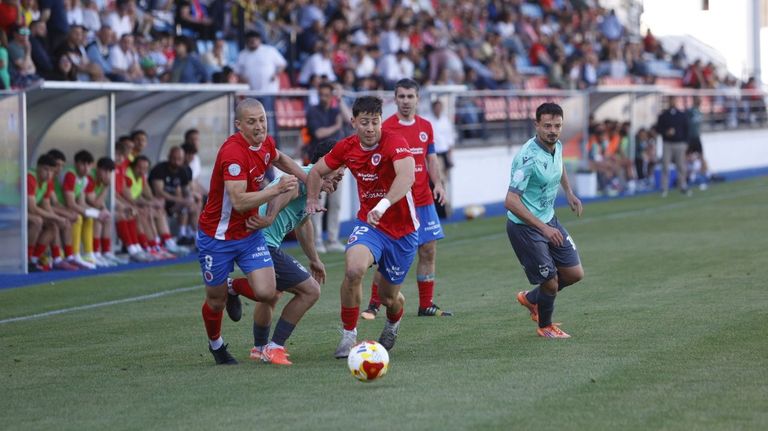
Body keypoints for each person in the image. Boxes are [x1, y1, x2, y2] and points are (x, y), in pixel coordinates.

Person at [305, 95, 418, 358]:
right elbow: (314, 171)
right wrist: (312, 198)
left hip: (402, 230)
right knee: (354, 270)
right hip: (370, 225)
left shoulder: (395, 142)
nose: (370, 128)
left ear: (381, 122)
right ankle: (348, 335)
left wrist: (383, 204)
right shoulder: (346, 147)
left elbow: (407, 176)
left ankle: (393, 322)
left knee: (390, 298)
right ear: (353, 122)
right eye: (364, 122)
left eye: (375, 122)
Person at [197, 98, 306, 365]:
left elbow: (281, 160)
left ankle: (234, 288)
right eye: (252, 121)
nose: (259, 126)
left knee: (269, 293)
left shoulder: (265, 143)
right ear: (239, 125)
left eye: (262, 120)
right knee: (215, 300)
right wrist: (274, 190)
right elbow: (238, 200)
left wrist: (309, 180)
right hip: (217, 236)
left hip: (248, 233)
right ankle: (217, 345)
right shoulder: (233, 154)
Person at [225, 140, 343, 366]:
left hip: (260, 241)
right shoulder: (306, 176)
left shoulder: (313, 184)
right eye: (338, 171)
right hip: (260, 241)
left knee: (272, 295)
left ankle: (259, 348)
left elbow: (303, 224)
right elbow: (287, 188)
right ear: (325, 162)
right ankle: (275, 346)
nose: (339, 178)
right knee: (310, 291)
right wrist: (269, 217)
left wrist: (314, 259)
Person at [361, 78, 452, 319]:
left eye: (410, 96)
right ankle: (373, 303)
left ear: (418, 99)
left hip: (424, 200)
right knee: (388, 254)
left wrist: (439, 184)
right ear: (395, 98)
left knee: (429, 251)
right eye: (401, 96)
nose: (405, 101)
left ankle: (426, 304)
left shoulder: (426, 127)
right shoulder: (386, 128)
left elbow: (430, 159)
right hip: (398, 203)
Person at [506, 102, 584, 339]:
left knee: (574, 274)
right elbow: (510, 201)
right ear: (536, 125)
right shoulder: (527, 158)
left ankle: (531, 299)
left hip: (548, 220)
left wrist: (569, 192)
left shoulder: (556, 145)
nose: (553, 130)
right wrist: (543, 229)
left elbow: (558, 166)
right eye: (547, 125)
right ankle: (545, 326)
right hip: (526, 228)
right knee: (550, 283)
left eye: (557, 125)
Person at [305, 82, 349, 253]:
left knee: (336, 203)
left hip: (337, 164)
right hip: (319, 165)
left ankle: (332, 238)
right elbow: (318, 133)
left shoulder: (335, 109)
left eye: (327, 95)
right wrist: (336, 127)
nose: (324, 97)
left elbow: (349, 120)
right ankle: (317, 241)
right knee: (317, 202)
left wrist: (340, 99)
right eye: (321, 94)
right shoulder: (313, 111)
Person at [149, 146, 200, 245]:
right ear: (169, 157)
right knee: (179, 203)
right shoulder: (159, 169)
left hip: (175, 203)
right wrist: (181, 200)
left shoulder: (183, 170)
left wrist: (190, 198)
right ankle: (169, 239)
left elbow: (186, 189)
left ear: (183, 159)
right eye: (174, 158)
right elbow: (159, 192)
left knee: (193, 205)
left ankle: (195, 236)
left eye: (179, 159)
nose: (176, 162)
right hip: (161, 201)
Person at [422, 98, 455, 219]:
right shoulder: (427, 120)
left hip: (444, 153)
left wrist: (450, 157)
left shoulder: (445, 120)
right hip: (434, 154)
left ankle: (444, 207)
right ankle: (439, 209)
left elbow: (449, 139)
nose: (438, 110)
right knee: (436, 180)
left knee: (444, 181)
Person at [655, 97, 690, 197]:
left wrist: (685, 143)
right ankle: (664, 188)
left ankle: (682, 185)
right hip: (667, 144)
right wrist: (666, 132)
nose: (673, 102)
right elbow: (658, 129)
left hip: (679, 144)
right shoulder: (663, 116)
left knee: (681, 166)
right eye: (671, 100)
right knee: (665, 165)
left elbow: (687, 129)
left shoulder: (682, 115)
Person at [686, 97, 709, 190]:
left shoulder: (699, 112)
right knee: (687, 158)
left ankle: (704, 178)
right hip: (690, 138)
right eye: (698, 100)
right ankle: (689, 177)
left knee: (701, 157)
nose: (699, 102)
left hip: (697, 137)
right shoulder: (690, 111)